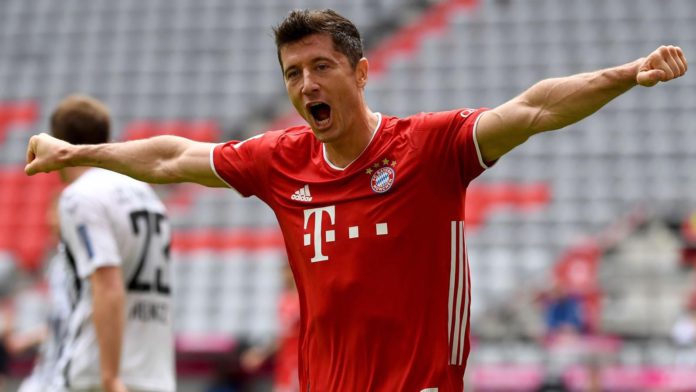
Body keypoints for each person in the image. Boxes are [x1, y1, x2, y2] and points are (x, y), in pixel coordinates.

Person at [24, 9, 687, 391]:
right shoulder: (281, 160)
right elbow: (172, 157)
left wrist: (627, 74)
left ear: (361, 72)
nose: (305, 83)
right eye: (292, 72)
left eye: (320, 66)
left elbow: (535, 108)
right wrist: (79, 155)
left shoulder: (430, 147)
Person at [27, 95, 176, 392]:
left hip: (98, 373)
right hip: (154, 372)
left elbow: (107, 284)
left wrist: (110, 377)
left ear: (57, 143)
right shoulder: (146, 193)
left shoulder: (80, 196)